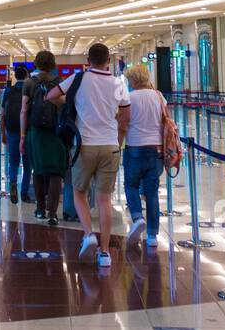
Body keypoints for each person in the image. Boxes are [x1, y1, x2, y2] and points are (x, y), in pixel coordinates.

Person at [48, 42, 131, 267]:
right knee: (104, 200)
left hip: (84, 145)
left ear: (88, 60)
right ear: (108, 61)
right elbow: (125, 116)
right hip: (110, 145)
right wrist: (118, 141)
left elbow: (51, 96)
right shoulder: (117, 83)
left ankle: (88, 235)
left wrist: (71, 101)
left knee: (79, 193)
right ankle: (104, 253)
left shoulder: (78, 78)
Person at [121, 65, 167, 250]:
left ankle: (138, 217)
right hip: (155, 149)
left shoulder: (129, 98)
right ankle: (152, 235)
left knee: (130, 185)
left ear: (132, 80)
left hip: (134, 147)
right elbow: (166, 121)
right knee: (152, 192)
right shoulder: (158, 96)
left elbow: (123, 122)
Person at [22, 50, 67, 224]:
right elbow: (65, 106)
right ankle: (53, 213)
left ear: (36, 63)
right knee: (55, 172)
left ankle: (40, 209)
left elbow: (24, 111)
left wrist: (22, 136)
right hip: (56, 131)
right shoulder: (60, 82)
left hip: (36, 132)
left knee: (38, 170)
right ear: (53, 64)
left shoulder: (29, 83)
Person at [0, 66, 30, 204]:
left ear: (15, 76)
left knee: (13, 161)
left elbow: (3, 114)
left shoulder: (7, 91)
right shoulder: (31, 88)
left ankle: (12, 182)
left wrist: (3, 133)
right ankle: (24, 193)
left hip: (12, 130)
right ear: (27, 75)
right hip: (28, 131)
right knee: (28, 164)